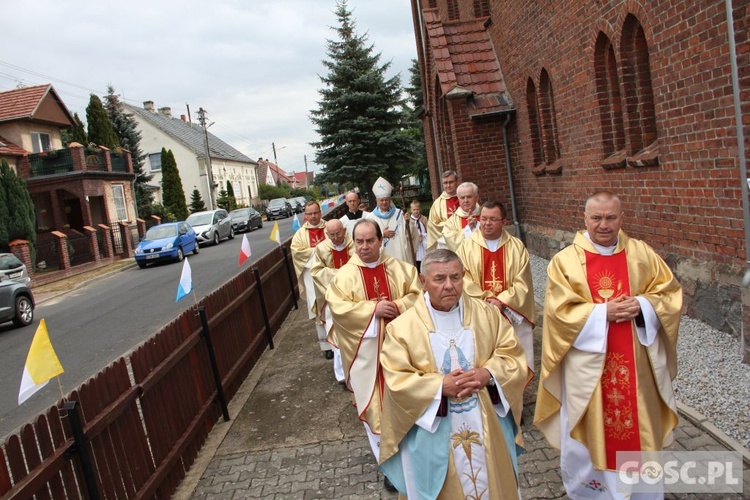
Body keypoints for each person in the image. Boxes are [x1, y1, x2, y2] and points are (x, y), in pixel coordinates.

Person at [534, 191, 682, 500]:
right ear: (585, 219)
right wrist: (603, 313)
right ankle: (594, 493)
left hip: (637, 369)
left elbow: (669, 294)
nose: (604, 225)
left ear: (621, 218)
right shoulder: (565, 262)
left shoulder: (642, 253)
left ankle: (642, 493)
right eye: (597, 218)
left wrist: (643, 306)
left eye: (611, 217)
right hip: (588, 373)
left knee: (638, 430)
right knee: (591, 428)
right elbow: (558, 313)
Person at [379, 249, 528, 499]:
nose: (449, 286)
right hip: (434, 433)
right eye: (439, 279)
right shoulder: (402, 329)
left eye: (456, 277)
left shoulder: (488, 315)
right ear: (423, 281)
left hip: (486, 424)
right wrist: (438, 386)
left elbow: (512, 354)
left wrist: (488, 374)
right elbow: (397, 379)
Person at [325, 219, 421, 468]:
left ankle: (414, 456)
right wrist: (372, 310)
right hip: (368, 358)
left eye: (370, 240)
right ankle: (387, 463)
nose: (364, 246)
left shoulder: (402, 269)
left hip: (404, 355)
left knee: (410, 401)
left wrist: (397, 306)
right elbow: (339, 309)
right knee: (377, 410)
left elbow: (419, 297)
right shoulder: (344, 276)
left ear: (381, 240)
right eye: (359, 241)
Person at [456, 201, 535, 372]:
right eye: (483, 219)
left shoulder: (516, 247)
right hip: (479, 311)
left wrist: (501, 302)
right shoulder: (466, 246)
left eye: (493, 219)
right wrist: (486, 300)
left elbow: (523, 282)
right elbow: (463, 279)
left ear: (504, 222)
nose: (486, 223)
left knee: (512, 362)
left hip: (508, 311)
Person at [310, 219, 355, 383]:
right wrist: (339, 274)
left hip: (355, 298)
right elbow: (316, 272)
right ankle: (342, 374)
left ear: (344, 231)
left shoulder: (355, 244)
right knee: (336, 334)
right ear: (327, 234)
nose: (335, 238)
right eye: (332, 235)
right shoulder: (321, 249)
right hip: (334, 299)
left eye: (338, 234)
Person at [290, 201, 331, 359]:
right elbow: (297, 253)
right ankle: (326, 345)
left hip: (330, 275)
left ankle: (339, 341)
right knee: (319, 308)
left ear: (320, 212)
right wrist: (319, 250)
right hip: (313, 277)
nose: (313, 216)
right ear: (305, 215)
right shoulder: (300, 234)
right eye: (309, 214)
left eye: (315, 213)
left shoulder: (330, 227)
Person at [366, 177, 413, 264]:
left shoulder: (400, 214)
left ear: (390, 200)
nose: (384, 202)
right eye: (381, 200)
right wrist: (382, 235)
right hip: (382, 257)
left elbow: (411, 234)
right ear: (377, 201)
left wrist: (409, 222)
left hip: (400, 256)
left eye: (386, 200)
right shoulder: (370, 218)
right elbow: (367, 239)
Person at [442, 181, 481, 252]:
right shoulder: (451, 221)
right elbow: (451, 241)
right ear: (458, 199)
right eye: (462, 198)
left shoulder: (486, 215)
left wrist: (478, 226)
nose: (466, 200)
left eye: (469, 197)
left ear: (476, 197)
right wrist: (468, 228)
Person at [427, 170, 460, 251]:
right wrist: (453, 225)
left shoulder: (465, 198)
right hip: (446, 244)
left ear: (457, 181)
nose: (448, 185)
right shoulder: (437, 204)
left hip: (464, 241)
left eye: (451, 182)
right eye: (445, 183)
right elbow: (432, 225)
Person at [407, 200, 428, 272]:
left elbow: (428, 230)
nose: (416, 211)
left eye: (417, 209)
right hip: (414, 244)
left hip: (423, 243)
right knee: (416, 260)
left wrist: (424, 235)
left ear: (420, 209)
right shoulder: (409, 220)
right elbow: (408, 233)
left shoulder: (424, 219)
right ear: (411, 210)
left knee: (424, 260)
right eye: (414, 210)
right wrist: (416, 237)